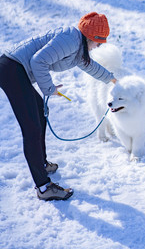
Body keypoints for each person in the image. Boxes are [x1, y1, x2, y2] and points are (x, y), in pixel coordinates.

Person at [0, 12, 117, 201]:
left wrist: (113, 79)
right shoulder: (71, 39)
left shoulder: (79, 48)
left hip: (15, 70)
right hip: (11, 69)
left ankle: (42, 163)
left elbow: (90, 66)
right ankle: (44, 187)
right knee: (32, 128)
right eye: (99, 42)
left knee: (39, 113)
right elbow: (38, 61)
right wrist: (49, 89)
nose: (98, 46)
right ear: (91, 37)